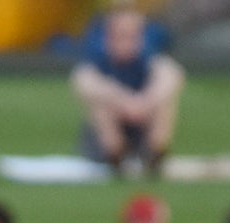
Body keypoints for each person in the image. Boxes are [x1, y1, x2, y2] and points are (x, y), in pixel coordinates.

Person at [73, 6, 184, 172]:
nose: (127, 42)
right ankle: (115, 156)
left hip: (141, 127)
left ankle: (154, 155)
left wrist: (144, 103)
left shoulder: (148, 60)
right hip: (107, 136)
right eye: (121, 36)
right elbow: (85, 81)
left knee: (165, 104)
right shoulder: (100, 61)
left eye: (133, 36)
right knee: (101, 105)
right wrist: (123, 101)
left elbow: (171, 75)